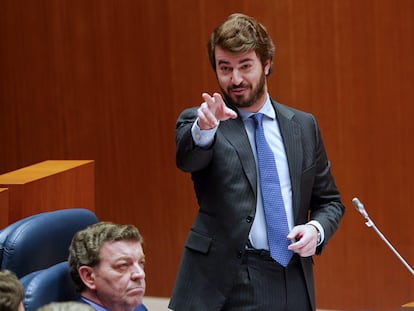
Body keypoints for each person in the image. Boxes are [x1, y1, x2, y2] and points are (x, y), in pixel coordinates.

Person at [169, 13, 345, 311]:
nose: (235, 79)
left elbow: (330, 201)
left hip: (293, 274)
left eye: (245, 66)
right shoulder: (205, 122)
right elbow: (189, 159)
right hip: (230, 278)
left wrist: (316, 229)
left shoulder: (303, 126)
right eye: (225, 68)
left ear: (266, 64)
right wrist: (204, 131)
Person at [68, 222, 147, 311]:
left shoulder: (136, 307)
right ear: (89, 277)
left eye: (141, 262)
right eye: (123, 265)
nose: (140, 274)